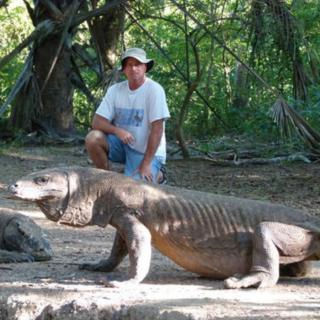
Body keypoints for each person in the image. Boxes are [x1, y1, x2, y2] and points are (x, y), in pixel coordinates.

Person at [85, 47, 170, 183]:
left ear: (145, 67)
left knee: (136, 188)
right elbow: (97, 122)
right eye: (129, 65)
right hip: (122, 145)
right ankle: (107, 178)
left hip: (146, 151)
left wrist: (146, 164)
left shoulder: (154, 90)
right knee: (92, 138)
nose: (133, 68)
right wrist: (117, 131)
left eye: (138, 64)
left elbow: (157, 129)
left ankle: (158, 174)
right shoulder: (115, 90)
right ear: (124, 69)